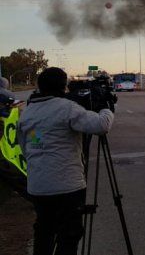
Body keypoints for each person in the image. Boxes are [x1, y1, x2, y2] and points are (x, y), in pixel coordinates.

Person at [18, 67, 114, 255]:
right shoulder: (66, 108)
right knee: (69, 234)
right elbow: (101, 126)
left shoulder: (27, 113)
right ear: (64, 87)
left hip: (37, 186)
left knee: (44, 231)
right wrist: (106, 108)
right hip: (66, 187)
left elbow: (26, 147)